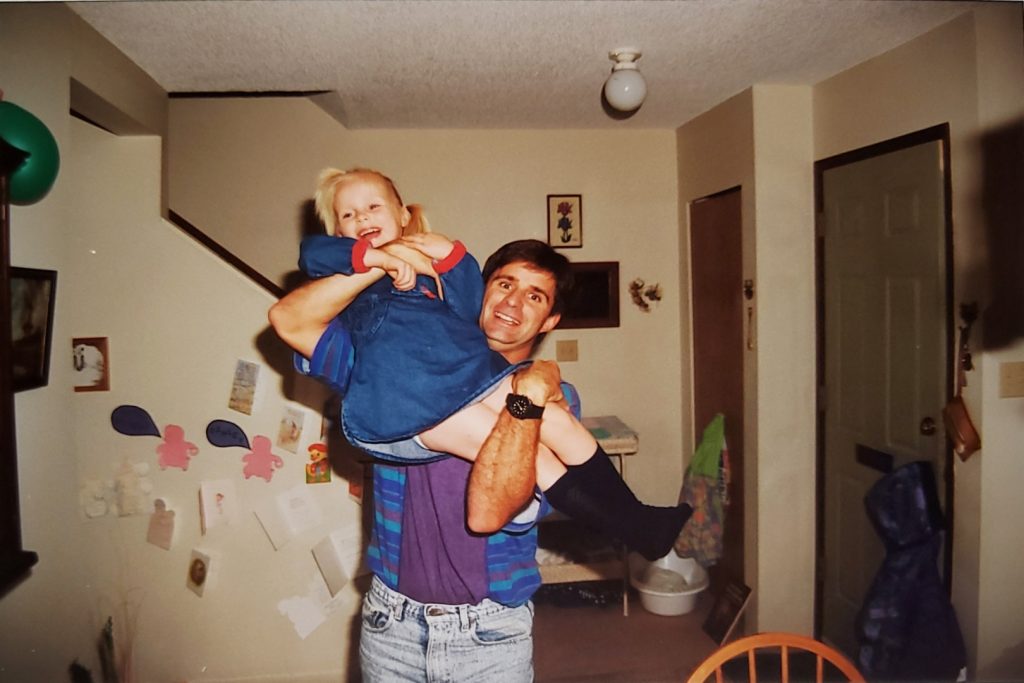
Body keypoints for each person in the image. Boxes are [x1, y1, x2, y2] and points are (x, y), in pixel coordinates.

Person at [282, 167, 689, 558]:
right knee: (526, 441)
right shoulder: (352, 297)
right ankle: (639, 527)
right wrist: (379, 260)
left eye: (534, 297)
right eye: (348, 214)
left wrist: (450, 256)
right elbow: (307, 267)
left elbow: (461, 285)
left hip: (462, 386)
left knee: (554, 433)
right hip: (407, 405)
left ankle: (640, 523)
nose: (512, 302)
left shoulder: (543, 385)